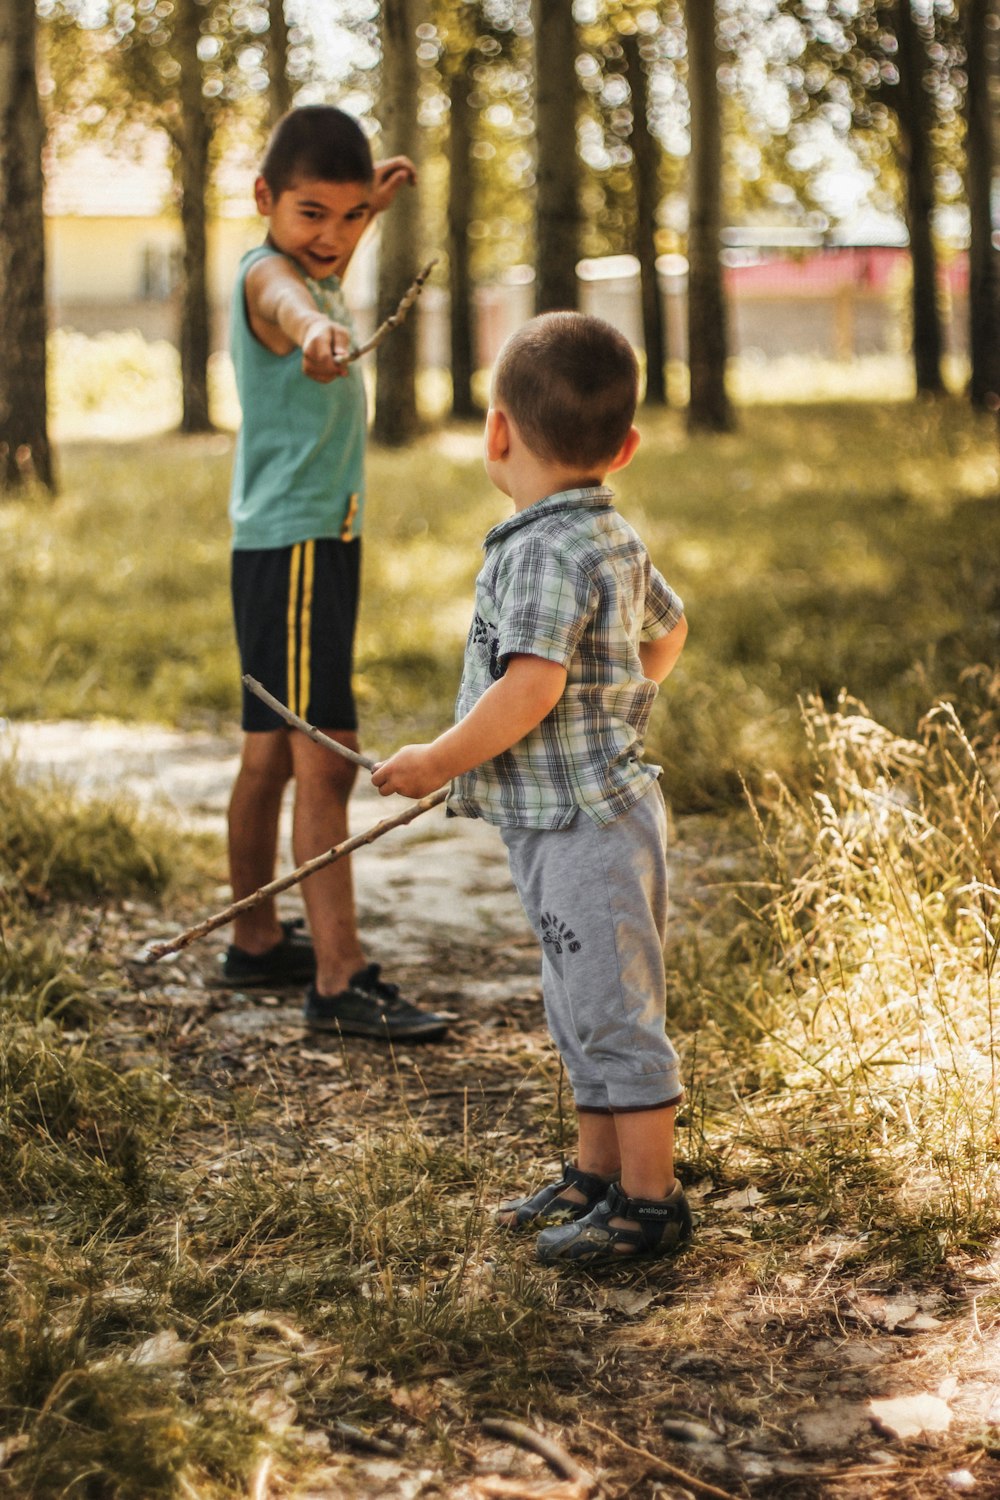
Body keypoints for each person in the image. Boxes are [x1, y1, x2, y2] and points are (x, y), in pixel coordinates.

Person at [372, 311, 691, 1264]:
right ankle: (597, 1175)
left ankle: (649, 1203)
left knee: (616, 1012)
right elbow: (668, 632)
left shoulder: (539, 550)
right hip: (576, 818)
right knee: (580, 998)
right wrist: (624, 698)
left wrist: (439, 758)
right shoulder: (607, 532)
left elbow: (533, 684)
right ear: (625, 447)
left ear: (496, 432)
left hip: (587, 822)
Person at [221, 104, 449, 1044]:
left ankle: (254, 939)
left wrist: (373, 210)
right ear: (265, 198)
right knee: (326, 756)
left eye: (350, 218)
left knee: (272, 753)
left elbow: (318, 272)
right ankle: (337, 976)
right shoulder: (271, 279)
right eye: (314, 213)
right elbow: (292, 300)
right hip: (303, 546)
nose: (333, 236)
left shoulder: (313, 256)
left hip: (286, 543)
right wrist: (314, 333)